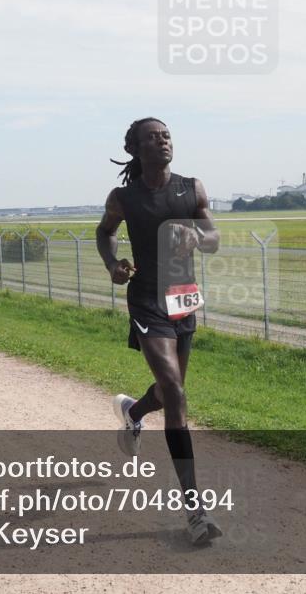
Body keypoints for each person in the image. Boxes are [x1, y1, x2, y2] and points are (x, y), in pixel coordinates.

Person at [95, 117, 223, 546]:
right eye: (152, 137)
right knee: (174, 388)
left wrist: (197, 235)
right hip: (147, 298)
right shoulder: (123, 197)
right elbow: (105, 233)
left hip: (183, 297)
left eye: (166, 135)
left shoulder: (192, 188)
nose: (162, 141)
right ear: (135, 148)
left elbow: (212, 238)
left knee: (172, 393)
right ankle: (195, 512)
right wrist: (114, 265)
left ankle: (133, 413)